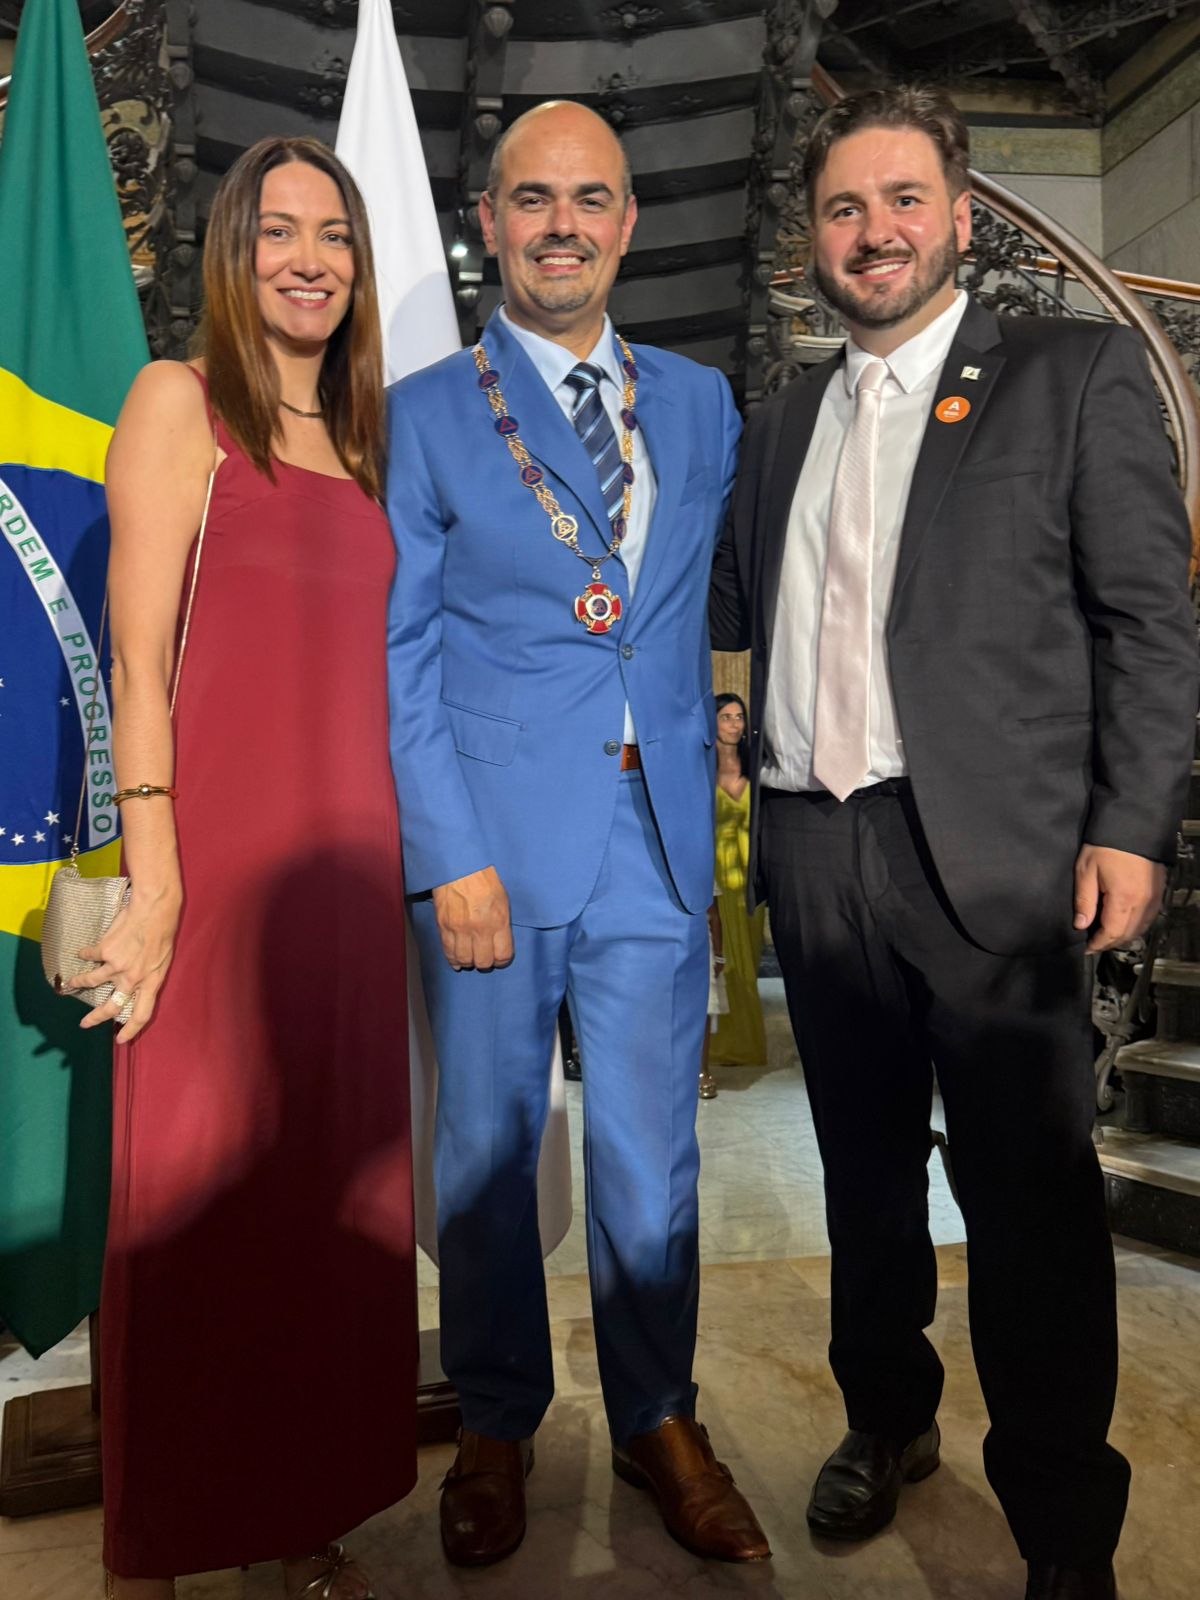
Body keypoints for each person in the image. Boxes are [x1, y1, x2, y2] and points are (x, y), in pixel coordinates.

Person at [710, 85, 1195, 1600]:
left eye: (904, 199)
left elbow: (1149, 621)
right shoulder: (777, 424)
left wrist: (1131, 825)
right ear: (814, 237)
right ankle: (888, 1418)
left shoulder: (1071, 372)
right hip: (817, 851)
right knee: (861, 1177)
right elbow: (732, 616)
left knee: (1030, 1202)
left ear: (963, 219)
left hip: (994, 858)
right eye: (846, 207)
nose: (876, 232)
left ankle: (1062, 1526)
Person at [384, 100, 769, 1567]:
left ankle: (658, 1414)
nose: (563, 225)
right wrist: (444, 852)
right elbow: (400, 651)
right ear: (489, 222)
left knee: (652, 1157)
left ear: (627, 222)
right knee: (487, 1151)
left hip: (654, 836)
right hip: (490, 842)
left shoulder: (701, 403)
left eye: (590, 198)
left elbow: (707, 601)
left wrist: (728, 730)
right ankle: (496, 1421)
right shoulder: (426, 410)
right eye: (533, 199)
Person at [72, 137, 417, 1599]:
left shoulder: (369, 438)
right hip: (212, 873)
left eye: (333, 233)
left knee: (321, 1206)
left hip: (347, 886)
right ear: (232, 250)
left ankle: (300, 1509)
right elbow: (137, 664)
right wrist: (159, 882)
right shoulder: (180, 401)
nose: (309, 259)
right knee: (190, 1203)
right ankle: (156, 1545)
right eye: (278, 230)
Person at [709, 693, 767, 1066]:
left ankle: (747, 1043)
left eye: (739, 716)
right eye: (726, 717)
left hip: (749, 878)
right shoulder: (702, 769)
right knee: (723, 961)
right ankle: (719, 1045)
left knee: (749, 962)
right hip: (714, 874)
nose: (734, 724)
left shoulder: (755, 767)